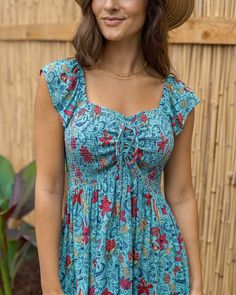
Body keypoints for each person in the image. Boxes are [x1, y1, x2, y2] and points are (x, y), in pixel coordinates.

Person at [34, 0, 203, 294]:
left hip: (158, 266)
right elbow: (49, 187)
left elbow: (181, 195)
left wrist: (197, 284)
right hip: (84, 261)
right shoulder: (62, 83)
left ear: (152, 5)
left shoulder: (176, 98)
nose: (110, 5)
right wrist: (50, 284)